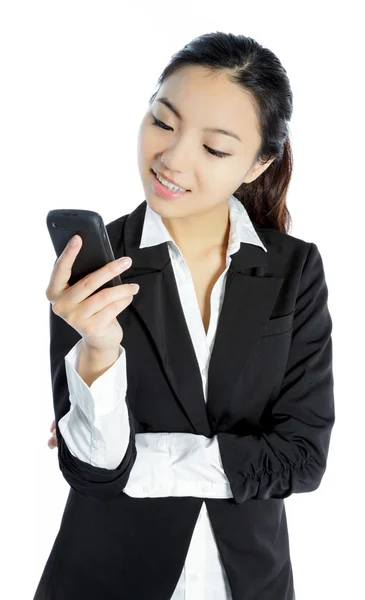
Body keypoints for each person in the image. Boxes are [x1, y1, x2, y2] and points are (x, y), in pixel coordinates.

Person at [34, 31, 335, 600]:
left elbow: (303, 459)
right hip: (105, 580)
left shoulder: (293, 270)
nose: (171, 158)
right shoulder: (95, 264)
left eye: (215, 148)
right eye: (163, 122)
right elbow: (93, 473)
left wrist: (136, 462)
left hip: (249, 583)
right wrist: (99, 349)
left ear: (257, 164)